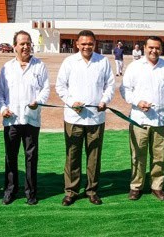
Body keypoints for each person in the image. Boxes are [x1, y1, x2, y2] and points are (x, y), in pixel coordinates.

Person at [55, 30, 114, 206]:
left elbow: (110, 85)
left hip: (96, 118)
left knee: (94, 157)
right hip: (74, 118)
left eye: (90, 43)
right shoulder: (69, 62)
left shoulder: (103, 61)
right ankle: (71, 191)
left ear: (95, 44)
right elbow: (60, 86)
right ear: (77, 44)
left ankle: (92, 190)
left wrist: (104, 100)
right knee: (72, 156)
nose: (87, 46)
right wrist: (72, 102)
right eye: (84, 43)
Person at [120, 36, 164, 201]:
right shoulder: (134, 67)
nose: (154, 51)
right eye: (151, 48)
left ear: (161, 49)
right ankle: (136, 186)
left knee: (159, 156)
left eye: (157, 48)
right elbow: (125, 89)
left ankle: (157, 186)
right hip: (139, 119)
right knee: (138, 154)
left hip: (161, 120)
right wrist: (137, 102)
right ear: (144, 48)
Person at [0, 30, 50, 206]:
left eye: (28, 43)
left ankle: (31, 192)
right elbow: (0, 94)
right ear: (15, 47)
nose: (26, 46)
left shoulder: (39, 66)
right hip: (11, 120)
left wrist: (39, 101)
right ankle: (10, 191)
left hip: (31, 120)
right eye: (22, 44)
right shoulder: (7, 68)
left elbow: (45, 89)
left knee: (31, 157)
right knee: (10, 157)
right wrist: (3, 108)